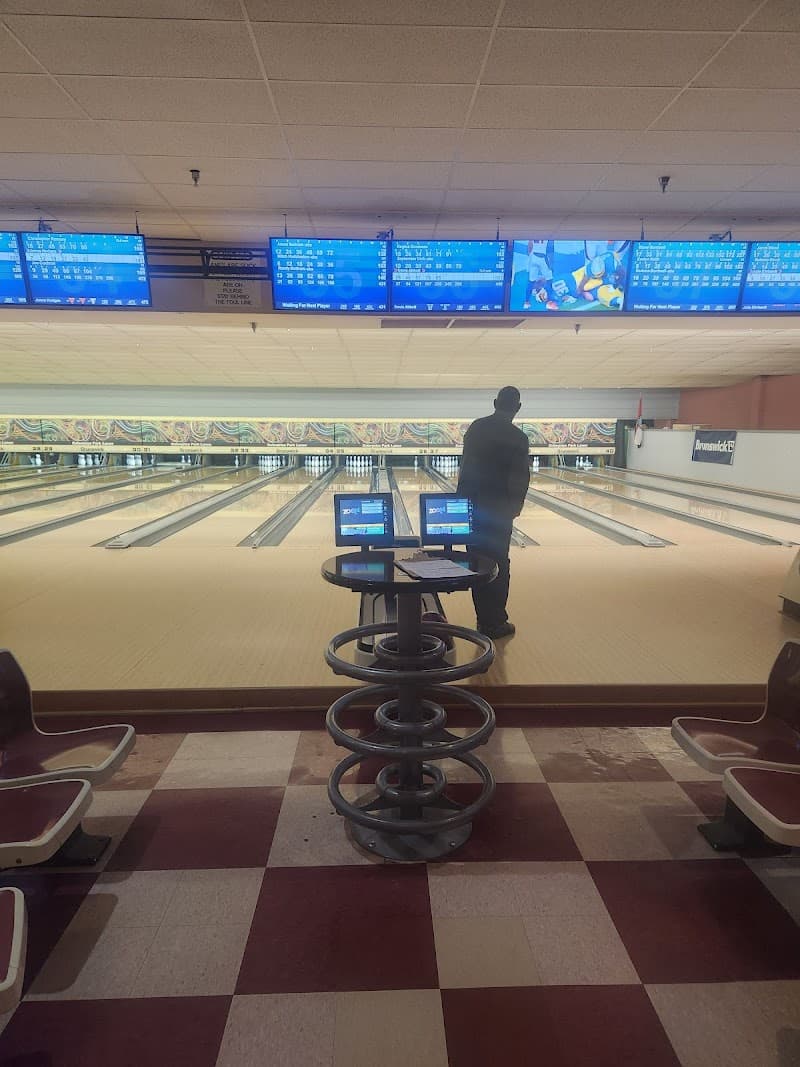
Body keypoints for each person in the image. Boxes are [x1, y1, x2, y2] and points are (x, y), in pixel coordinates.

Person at [457, 386, 530, 639]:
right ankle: (495, 622)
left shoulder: (476, 428)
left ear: (495, 402)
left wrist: (460, 506)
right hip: (499, 513)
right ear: (517, 407)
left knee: (477, 563)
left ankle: (482, 619)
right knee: (499, 565)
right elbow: (520, 478)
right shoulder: (519, 437)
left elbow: (465, 468)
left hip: (473, 509)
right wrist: (514, 509)